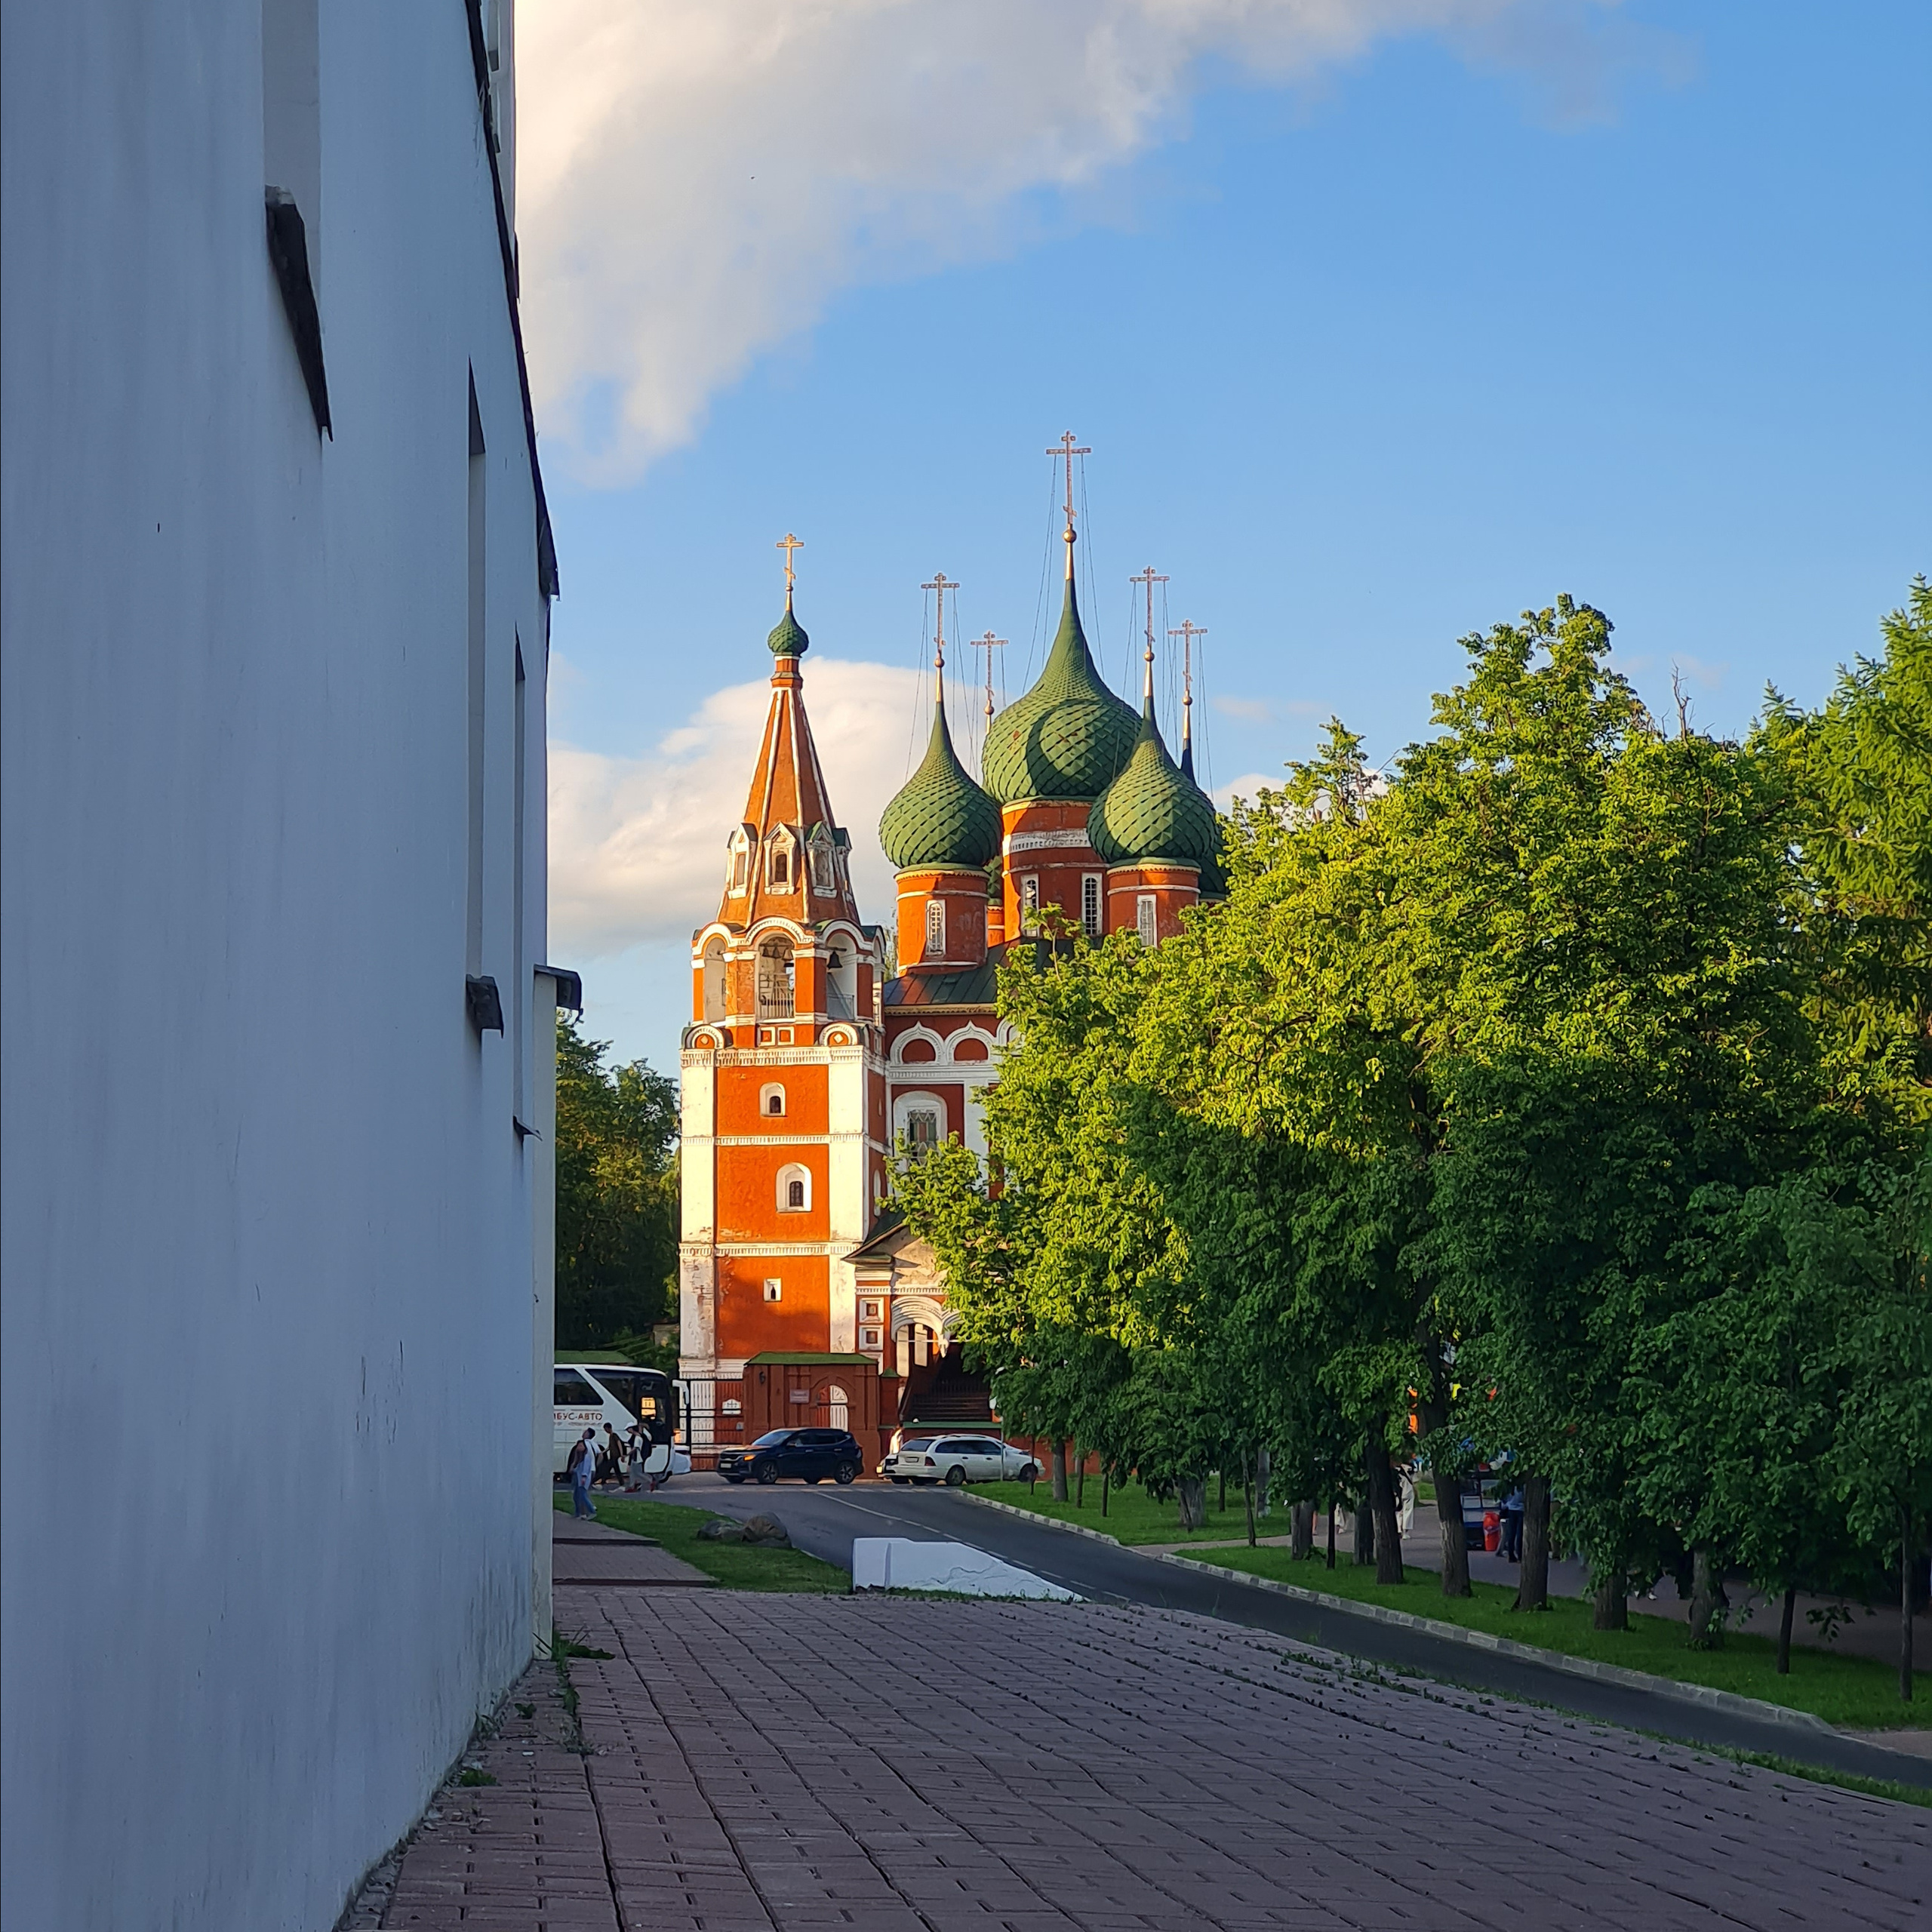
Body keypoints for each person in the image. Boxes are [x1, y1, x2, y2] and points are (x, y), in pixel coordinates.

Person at [568, 1429, 598, 1519]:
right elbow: (578, 1468)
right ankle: (578, 1512)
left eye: (581, 1446)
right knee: (576, 1496)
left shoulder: (587, 1456)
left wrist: (584, 1477)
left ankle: (591, 1511)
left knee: (583, 1495)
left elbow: (586, 1469)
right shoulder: (579, 1457)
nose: (579, 1448)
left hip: (583, 1479)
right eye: (578, 1446)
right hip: (579, 1477)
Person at [1501, 1482, 1524, 1562]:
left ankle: (1511, 1555)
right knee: (1520, 1534)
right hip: (1521, 1510)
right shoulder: (1522, 1486)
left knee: (1511, 1533)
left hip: (1511, 1509)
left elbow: (1504, 1498)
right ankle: (1520, 1555)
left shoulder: (1509, 1486)